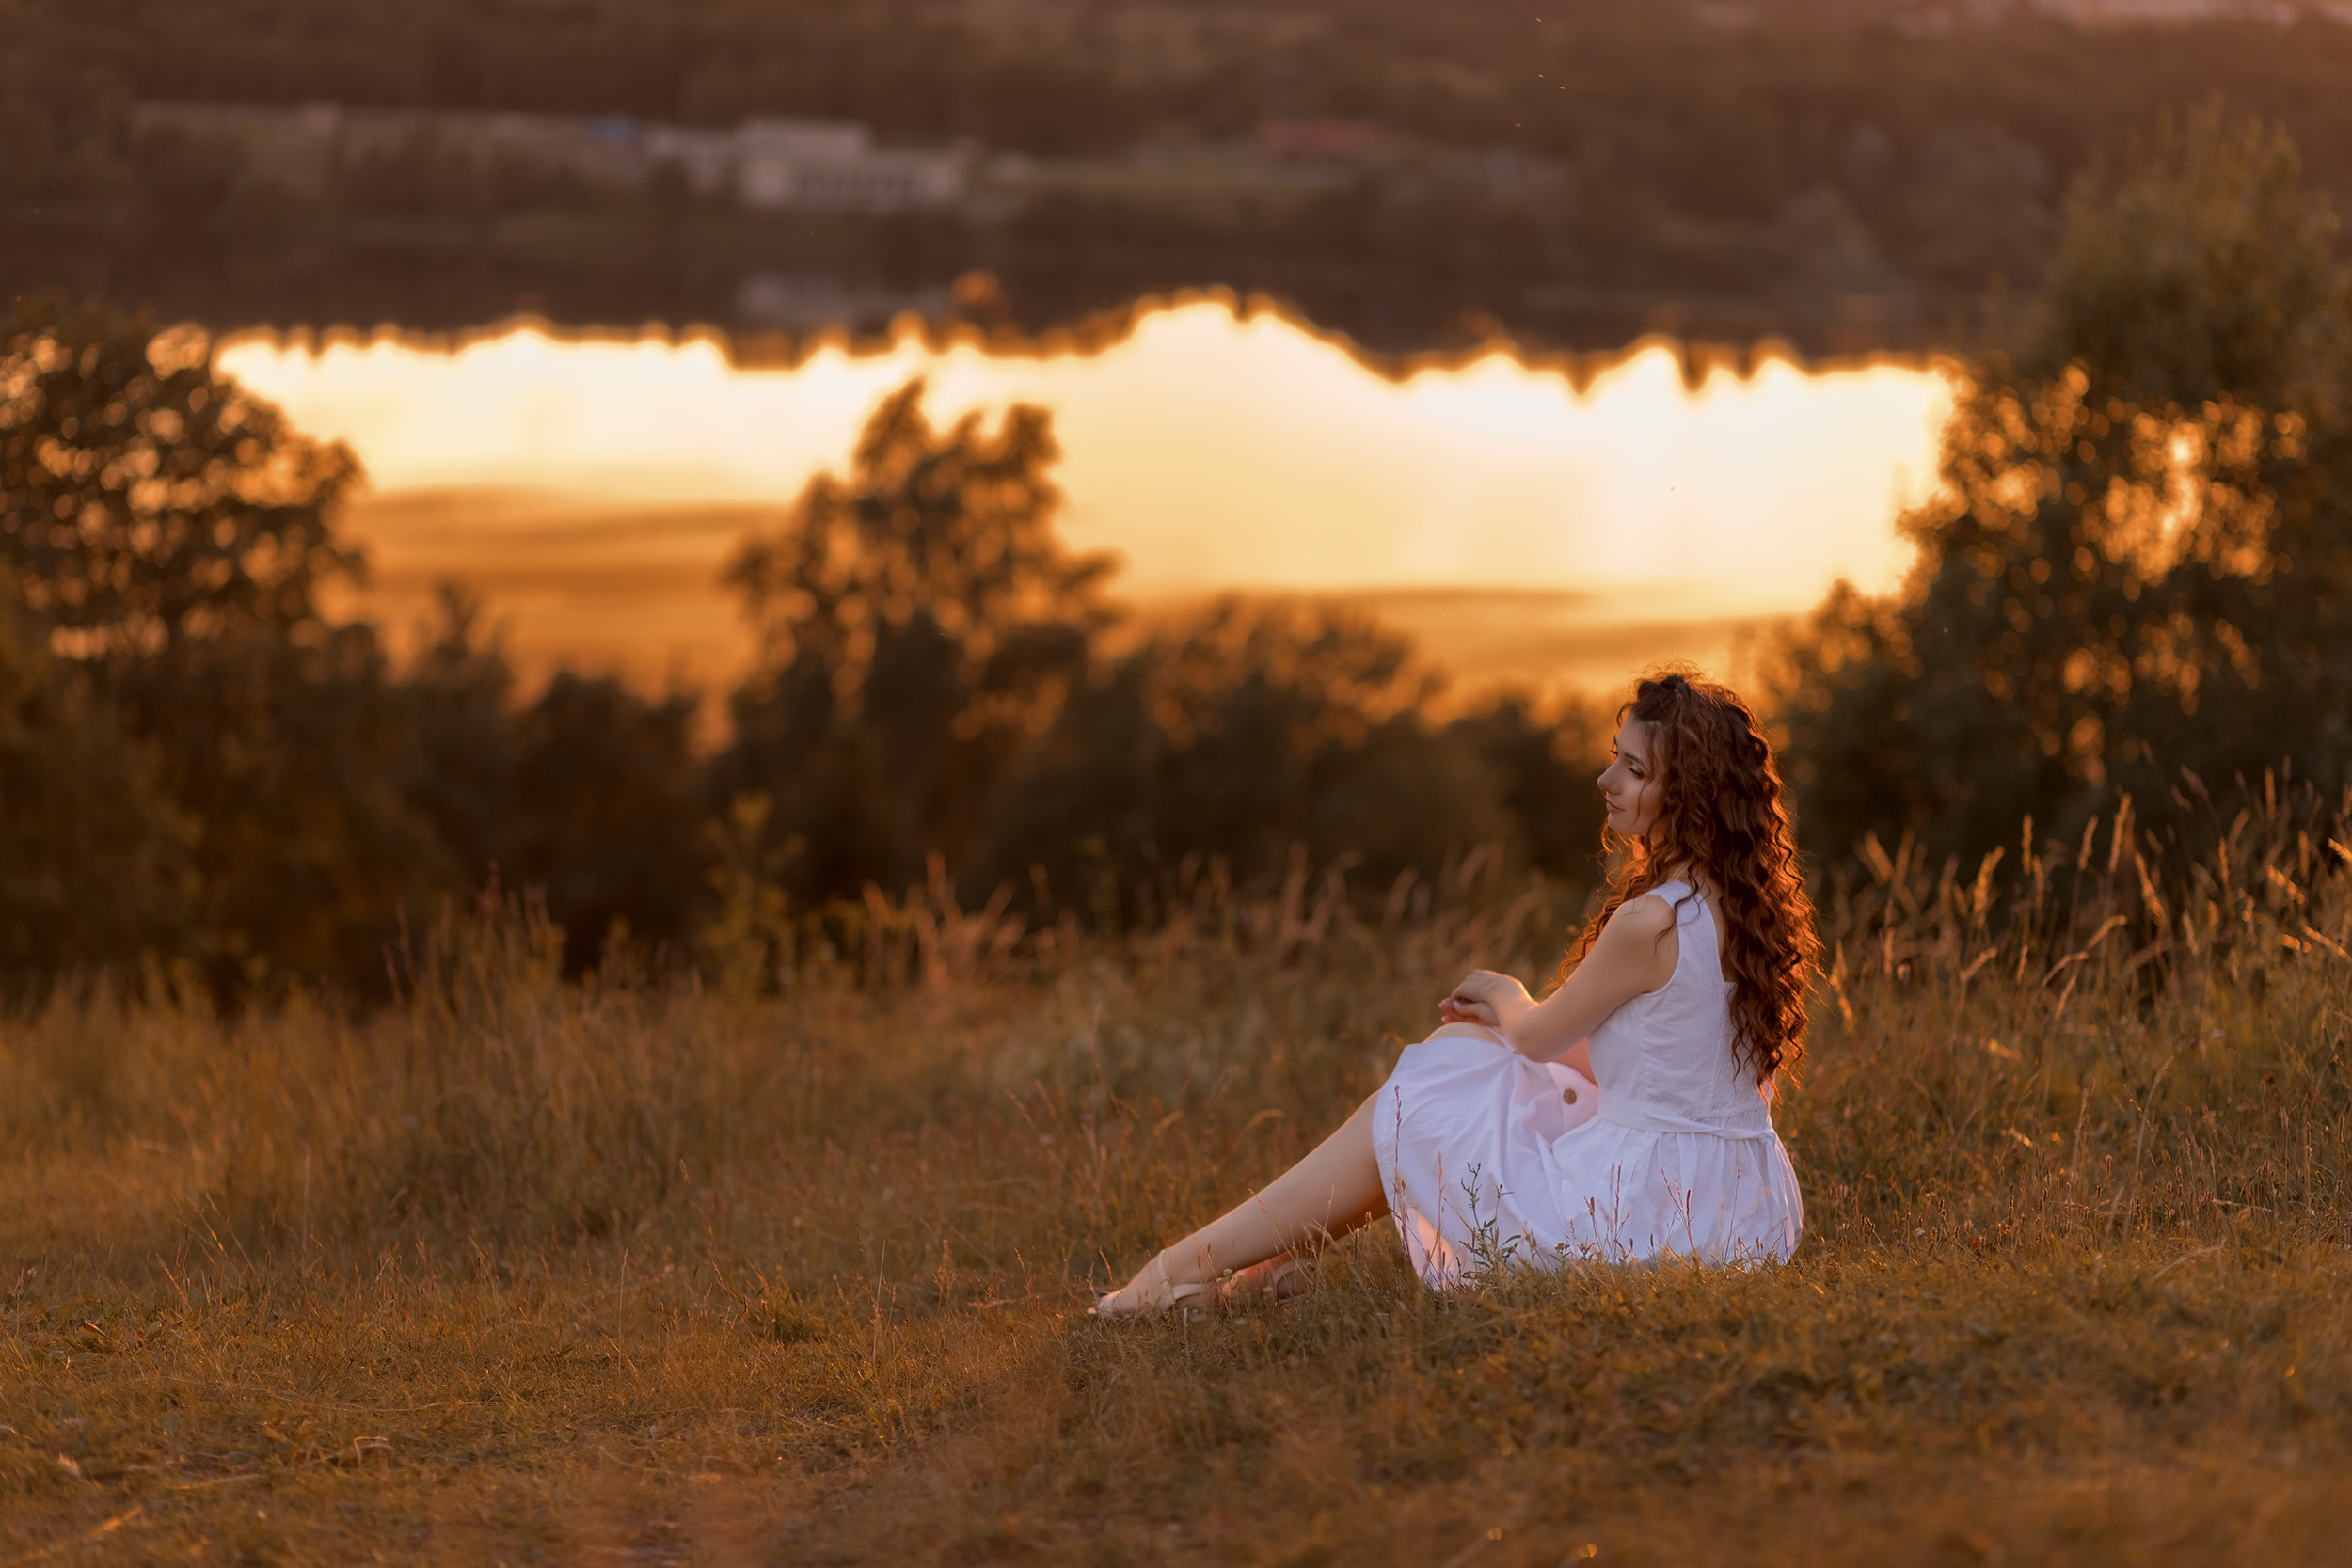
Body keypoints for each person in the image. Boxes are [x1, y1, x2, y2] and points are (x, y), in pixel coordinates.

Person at [1091, 671, 1818, 1315]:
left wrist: (1505, 993)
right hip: (1742, 1211)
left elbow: (1537, 1035)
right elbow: (1657, 1060)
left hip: (1642, 1219)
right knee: (1460, 1060)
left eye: (1632, 770)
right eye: (1614, 757)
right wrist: (1486, 1037)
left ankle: (1177, 1273)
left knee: (1421, 1100)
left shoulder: (1650, 919)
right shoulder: (1746, 906)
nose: (1606, 780)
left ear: (1685, 795)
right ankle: (1270, 1264)